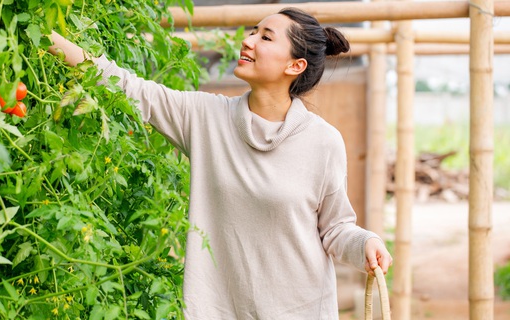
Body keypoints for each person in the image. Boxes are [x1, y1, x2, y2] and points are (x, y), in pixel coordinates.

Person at [49, 7, 392, 319]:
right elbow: (126, 86)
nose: (248, 40)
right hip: (218, 310)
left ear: (295, 65)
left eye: (265, 37)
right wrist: (41, 33)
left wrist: (364, 243)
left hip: (300, 310)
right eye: (252, 31)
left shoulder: (323, 141)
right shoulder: (205, 117)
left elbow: (335, 229)